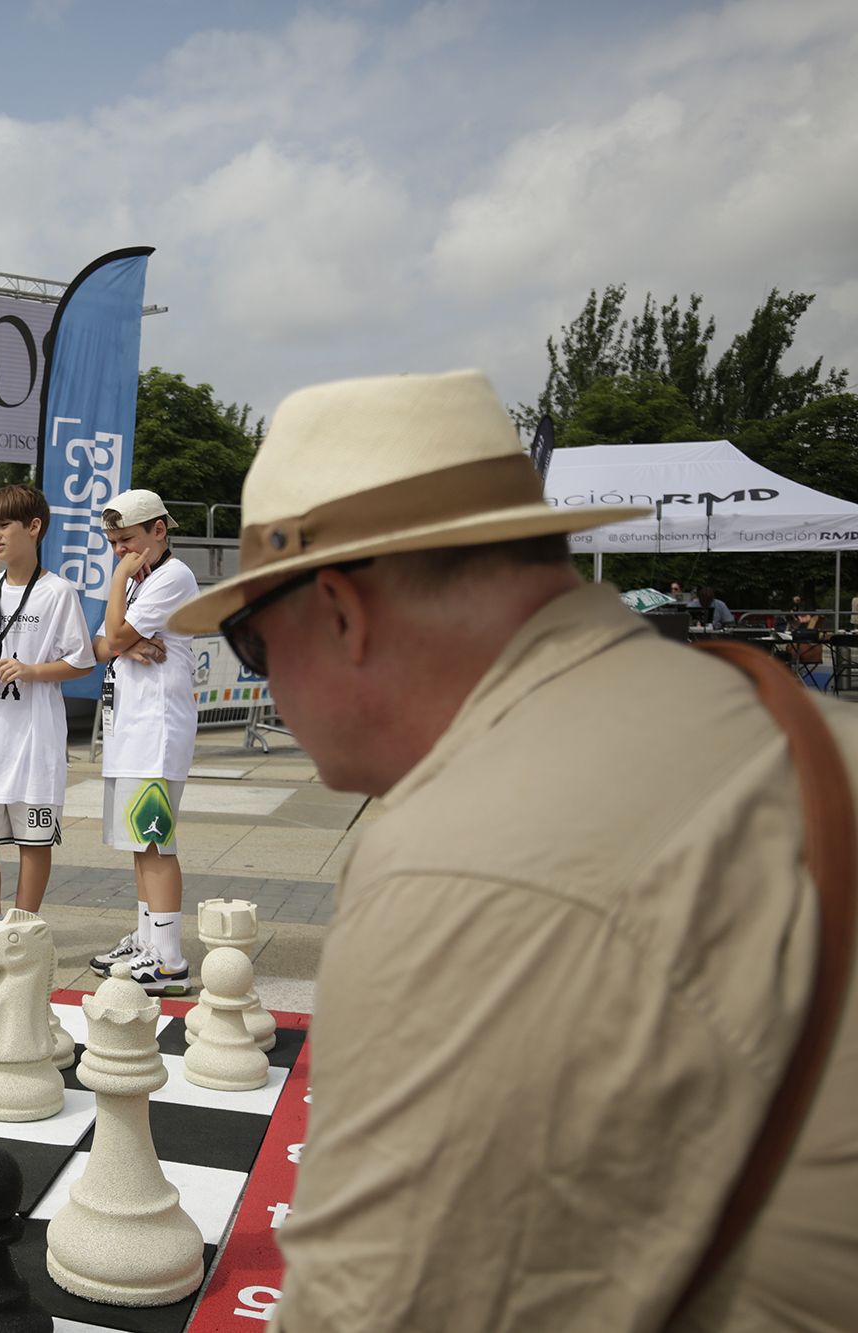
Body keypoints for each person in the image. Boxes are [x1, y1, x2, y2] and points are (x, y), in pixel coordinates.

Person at [167, 369, 856, 1331]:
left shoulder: (453, 865)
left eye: (252, 644)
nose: (267, 684)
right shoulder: (794, 721)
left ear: (339, 610)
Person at [0, 485, 94, 974]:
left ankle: (23, 938)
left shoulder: (58, 592)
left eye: (3, 525)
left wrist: (30, 670)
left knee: (34, 843)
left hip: (36, 740)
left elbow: (80, 661)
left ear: (34, 527)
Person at [85, 489, 202, 995]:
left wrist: (116, 595)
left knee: (154, 841)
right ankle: (148, 940)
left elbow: (112, 633)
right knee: (138, 843)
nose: (121, 553)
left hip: (156, 731)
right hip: (130, 731)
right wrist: (125, 647)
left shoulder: (172, 576)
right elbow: (98, 643)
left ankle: (170, 957)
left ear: (160, 529)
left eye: (128, 541)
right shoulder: (142, 580)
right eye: (113, 545)